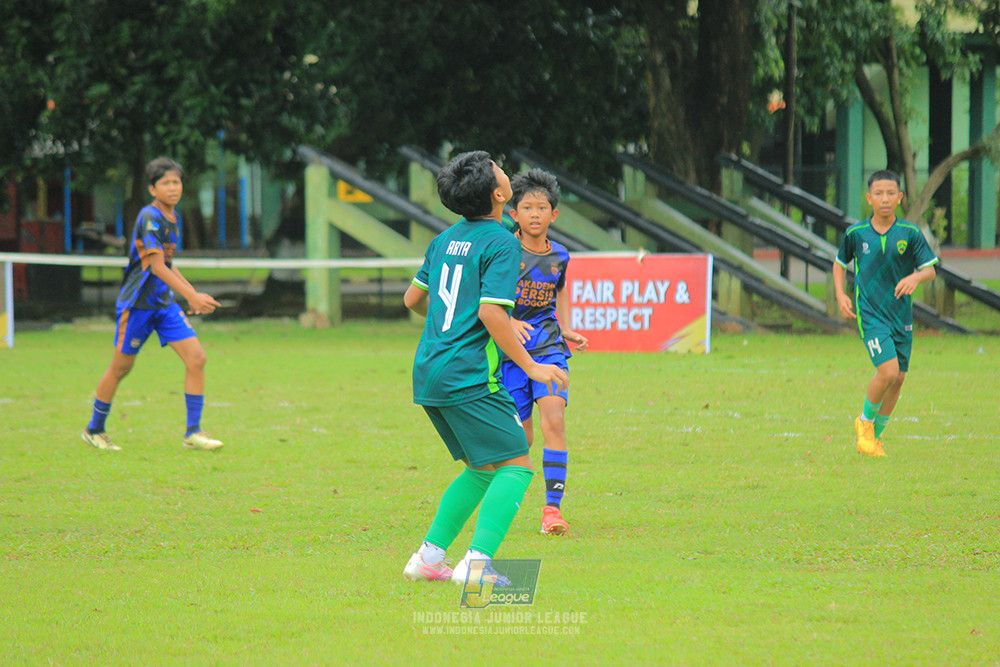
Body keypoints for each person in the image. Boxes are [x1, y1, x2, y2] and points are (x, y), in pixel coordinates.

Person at [401, 151, 568, 585]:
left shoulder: (444, 240)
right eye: (498, 167)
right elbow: (494, 314)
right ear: (499, 194)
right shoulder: (501, 243)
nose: (504, 168)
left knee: (481, 468)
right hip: (468, 373)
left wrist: (447, 324)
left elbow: (412, 301)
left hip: (429, 369)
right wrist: (533, 366)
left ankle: (427, 559)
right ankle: (476, 565)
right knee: (517, 465)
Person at [81, 157, 224, 452]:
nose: (173, 188)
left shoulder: (172, 217)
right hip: (138, 305)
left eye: (176, 182)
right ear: (152, 188)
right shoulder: (150, 216)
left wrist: (190, 293)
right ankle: (94, 429)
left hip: (163, 304)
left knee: (196, 358)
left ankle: (193, 433)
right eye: (166, 183)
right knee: (121, 368)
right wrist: (192, 296)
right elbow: (157, 266)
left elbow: (169, 264)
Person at [501, 169, 588, 536]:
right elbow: (484, 294)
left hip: (550, 347)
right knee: (522, 439)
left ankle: (552, 510)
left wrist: (565, 327)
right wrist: (508, 321)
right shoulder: (504, 251)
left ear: (554, 215)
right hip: (510, 353)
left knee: (554, 421)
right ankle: (502, 502)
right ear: (513, 214)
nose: (534, 214)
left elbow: (561, 289)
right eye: (526, 207)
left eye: (542, 207)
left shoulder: (561, 256)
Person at [832, 169, 938, 457]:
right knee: (887, 371)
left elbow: (930, 269)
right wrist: (841, 294)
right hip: (871, 315)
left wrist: (916, 277)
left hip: (900, 316)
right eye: (878, 193)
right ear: (869, 198)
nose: (885, 198)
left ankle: (874, 438)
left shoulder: (910, 233)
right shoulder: (856, 234)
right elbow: (840, 263)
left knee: (899, 378)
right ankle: (864, 423)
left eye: (891, 193)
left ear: (900, 197)